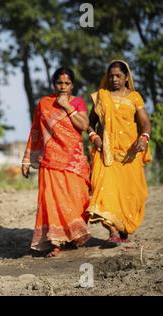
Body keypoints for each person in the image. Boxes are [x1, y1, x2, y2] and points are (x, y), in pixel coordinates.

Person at [22, 67, 91, 257]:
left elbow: (84, 125)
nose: (63, 86)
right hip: (51, 160)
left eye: (67, 83)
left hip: (73, 161)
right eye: (59, 83)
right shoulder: (44, 103)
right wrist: (27, 159)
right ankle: (56, 242)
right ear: (53, 84)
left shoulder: (77, 102)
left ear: (72, 85)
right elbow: (35, 131)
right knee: (53, 201)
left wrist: (67, 106)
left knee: (77, 200)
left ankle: (72, 236)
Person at [86, 60, 151, 244]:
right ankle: (113, 231)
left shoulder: (134, 97)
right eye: (111, 76)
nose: (114, 79)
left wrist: (144, 137)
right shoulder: (101, 96)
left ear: (126, 77)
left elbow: (145, 122)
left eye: (118, 76)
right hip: (106, 153)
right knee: (104, 190)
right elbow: (90, 122)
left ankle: (122, 229)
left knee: (131, 194)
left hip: (130, 154)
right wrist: (94, 136)